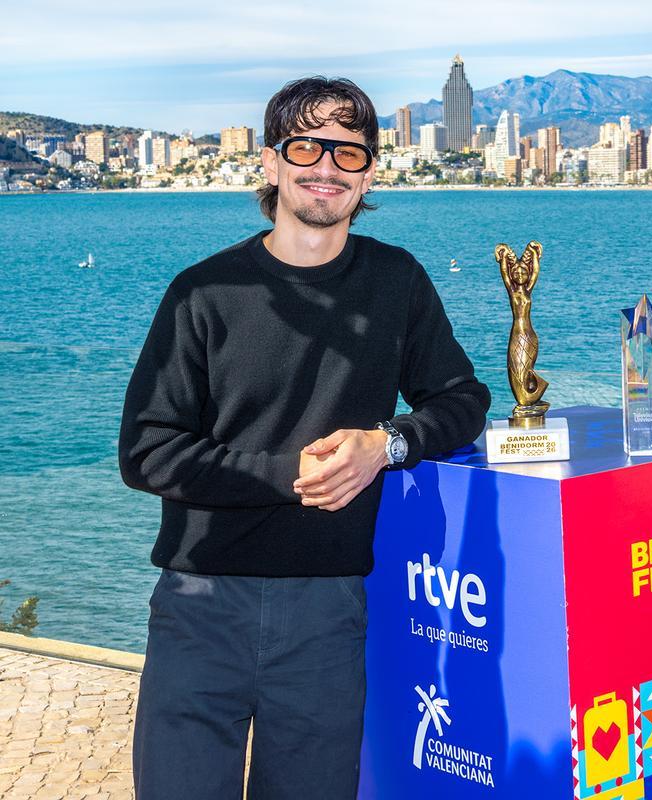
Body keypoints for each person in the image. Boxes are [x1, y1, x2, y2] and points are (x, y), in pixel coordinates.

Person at [118, 76, 490, 799]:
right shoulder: (204, 292)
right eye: (305, 146)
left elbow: (463, 399)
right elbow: (146, 449)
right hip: (201, 603)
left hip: (327, 610)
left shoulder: (397, 281)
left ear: (371, 172)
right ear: (270, 162)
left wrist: (385, 445)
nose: (326, 166)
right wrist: (295, 475)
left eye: (348, 152)